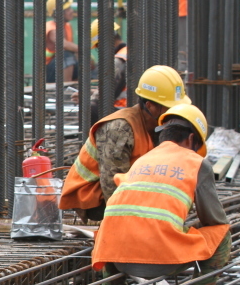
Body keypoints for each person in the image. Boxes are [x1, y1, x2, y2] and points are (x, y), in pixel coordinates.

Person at [91, 103, 230, 285]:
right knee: (222, 233)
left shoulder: (142, 160)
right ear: (191, 139)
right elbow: (215, 220)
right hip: (159, 261)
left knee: (115, 223)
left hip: (113, 256)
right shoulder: (197, 163)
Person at [59, 65, 190, 222]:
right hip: (93, 200)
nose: (175, 114)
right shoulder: (119, 129)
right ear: (150, 106)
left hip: (132, 191)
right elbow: (113, 186)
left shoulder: (158, 127)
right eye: (170, 108)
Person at [89, 20, 128, 115]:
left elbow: (103, 96)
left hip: (122, 110)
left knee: (91, 108)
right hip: (132, 108)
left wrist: (85, 99)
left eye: (98, 46)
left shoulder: (117, 61)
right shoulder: (127, 52)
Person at [44, 0, 79, 83]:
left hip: (61, 68)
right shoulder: (50, 27)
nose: (71, 11)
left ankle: (76, 86)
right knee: (66, 55)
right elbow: (64, 44)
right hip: (50, 71)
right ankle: (66, 86)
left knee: (80, 57)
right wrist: (85, 49)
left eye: (70, 8)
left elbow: (74, 49)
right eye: (67, 9)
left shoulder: (67, 26)